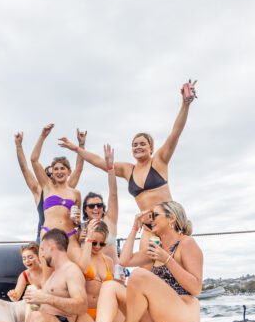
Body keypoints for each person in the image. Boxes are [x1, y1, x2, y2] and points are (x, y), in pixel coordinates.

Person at [59, 81, 197, 249]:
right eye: (135, 145)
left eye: (142, 144)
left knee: (173, 262)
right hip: (148, 226)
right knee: (147, 267)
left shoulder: (159, 161)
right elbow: (99, 162)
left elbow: (175, 133)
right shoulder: (128, 170)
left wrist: (185, 103)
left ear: (151, 148)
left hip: (168, 221)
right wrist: (76, 147)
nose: (138, 147)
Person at [73, 202, 202, 322]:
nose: (151, 219)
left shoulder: (186, 243)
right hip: (158, 320)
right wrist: (135, 227)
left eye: (155, 215)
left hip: (182, 315)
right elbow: (124, 260)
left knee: (139, 274)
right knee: (110, 286)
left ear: (171, 218)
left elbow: (196, 288)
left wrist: (166, 259)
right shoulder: (157, 249)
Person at [15, 129, 86, 241]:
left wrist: (81, 144)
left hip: (66, 235)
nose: (55, 174)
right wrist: (19, 146)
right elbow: (25, 168)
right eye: (49, 173)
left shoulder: (69, 189)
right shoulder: (40, 190)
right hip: (45, 235)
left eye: (61, 169)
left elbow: (78, 169)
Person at [31, 124, 82, 258]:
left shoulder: (75, 193)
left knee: (79, 269)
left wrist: (81, 145)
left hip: (69, 236)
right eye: (56, 169)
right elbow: (34, 160)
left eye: (62, 168)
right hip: (48, 234)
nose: (59, 171)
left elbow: (77, 220)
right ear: (52, 172)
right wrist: (42, 136)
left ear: (68, 172)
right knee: (48, 276)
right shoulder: (47, 187)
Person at [75, 220, 121, 322]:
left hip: (105, 312)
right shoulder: (80, 255)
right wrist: (88, 241)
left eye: (102, 244)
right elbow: (84, 269)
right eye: (94, 243)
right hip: (85, 313)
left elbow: (111, 289)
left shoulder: (108, 261)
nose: (97, 247)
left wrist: (119, 282)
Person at [80, 144, 119, 264]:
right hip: (92, 274)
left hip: (113, 272)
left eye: (99, 205)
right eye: (91, 206)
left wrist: (110, 168)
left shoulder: (109, 220)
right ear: (85, 210)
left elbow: (113, 194)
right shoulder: (81, 228)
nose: (96, 208)